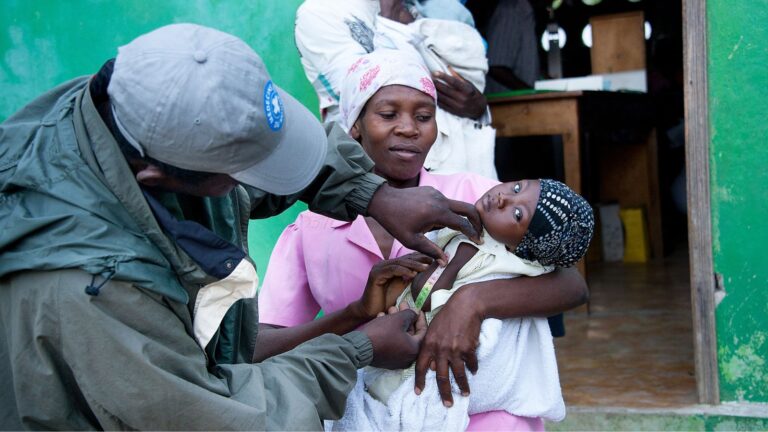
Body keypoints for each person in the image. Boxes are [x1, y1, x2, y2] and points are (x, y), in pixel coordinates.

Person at [0, 24, 497, 430]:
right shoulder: (93, 286)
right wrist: (357, 348)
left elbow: (260, 138)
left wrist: (374, 194)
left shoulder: (135, 97)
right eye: (245, 172)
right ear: (159, 178)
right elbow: (217, 417)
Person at [258, 48, 589, 431]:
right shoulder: (310, 231)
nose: (409, 128)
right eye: (387, 114)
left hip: (474, 408)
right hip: (369, 406)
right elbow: (261, 345)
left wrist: (470, 303)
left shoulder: (473, 196)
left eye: (424, 116)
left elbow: (571, 284)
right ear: (355, 126)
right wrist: (355, 322)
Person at [332, 178, 595, 431]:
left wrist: (470, 301)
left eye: (517, 215)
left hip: (428, 383)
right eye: (517, 187)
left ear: (525, 250)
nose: (504, 198)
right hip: (385, 362)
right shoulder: (460, 227)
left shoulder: (511, 268)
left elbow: (571, 284)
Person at [295, 0, 498, 178]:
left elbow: (459, 79)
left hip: (460, 167)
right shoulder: (319, 12)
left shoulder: (426, 9)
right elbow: (367, 93)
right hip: (376, 183)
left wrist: (478, 108)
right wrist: (390, 17)